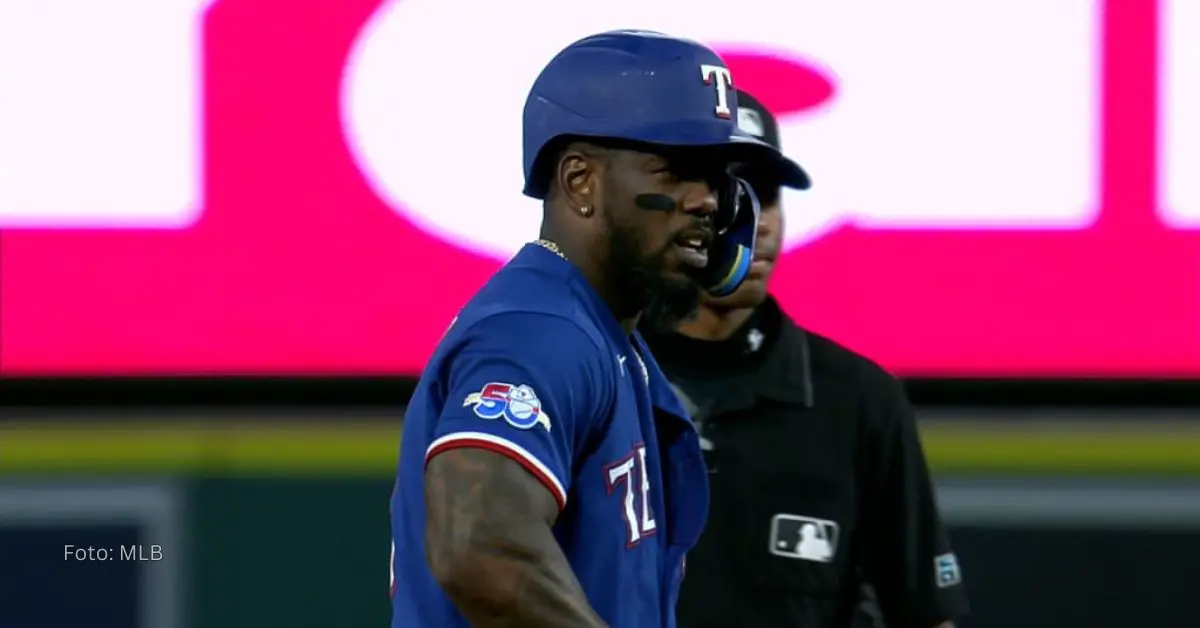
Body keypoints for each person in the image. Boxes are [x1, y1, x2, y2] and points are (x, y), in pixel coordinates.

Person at [388, 32, 810, 628]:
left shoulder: (608, 339)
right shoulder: (539, 332)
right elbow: (477, 542)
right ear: (580, 181)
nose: (709, 201)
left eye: (716, 176)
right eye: (675, 170)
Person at [641, 89, 970, 628]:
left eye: (766, 196)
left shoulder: (856, 397)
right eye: (730, 192)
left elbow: (927, 613)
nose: (759, 222)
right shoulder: (600, 377)